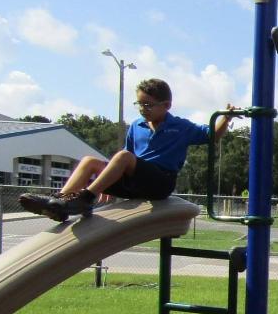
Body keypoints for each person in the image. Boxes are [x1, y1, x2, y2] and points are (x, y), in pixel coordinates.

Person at [19, 78, 231, 222]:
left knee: (123, 157)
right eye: (139, 104)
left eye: (148, 105)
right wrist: (106, 182)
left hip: (159, 182)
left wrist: (226, 117)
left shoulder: (180, 126)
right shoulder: (137, 126)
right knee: (89, 161)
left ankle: (85, 199)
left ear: (166, 105)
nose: (142, 110)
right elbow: (124, 161)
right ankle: (60, 203)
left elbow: (212, 134)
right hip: (135, 180)